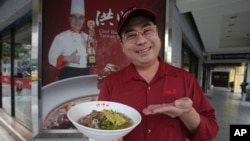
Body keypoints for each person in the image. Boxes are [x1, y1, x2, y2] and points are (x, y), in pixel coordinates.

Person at [98, 7, 219, 141]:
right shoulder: (110, 83)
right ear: (122, 44)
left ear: (157, 33)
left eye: (147, 30)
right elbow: (99, 127)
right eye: (131, 35)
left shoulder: (185, 79)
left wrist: (188, 113)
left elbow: (210, 131)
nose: (141, 41)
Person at [48, 0, 89, 80]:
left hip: (85, 73)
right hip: (68, 74)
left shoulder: (88, 37)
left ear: (84, 20)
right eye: (74, 17)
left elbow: (91, 59)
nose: (77, 21)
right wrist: (69, 58)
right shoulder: (61, 37)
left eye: (80, 18)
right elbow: (51, 57)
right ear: (69, 19)